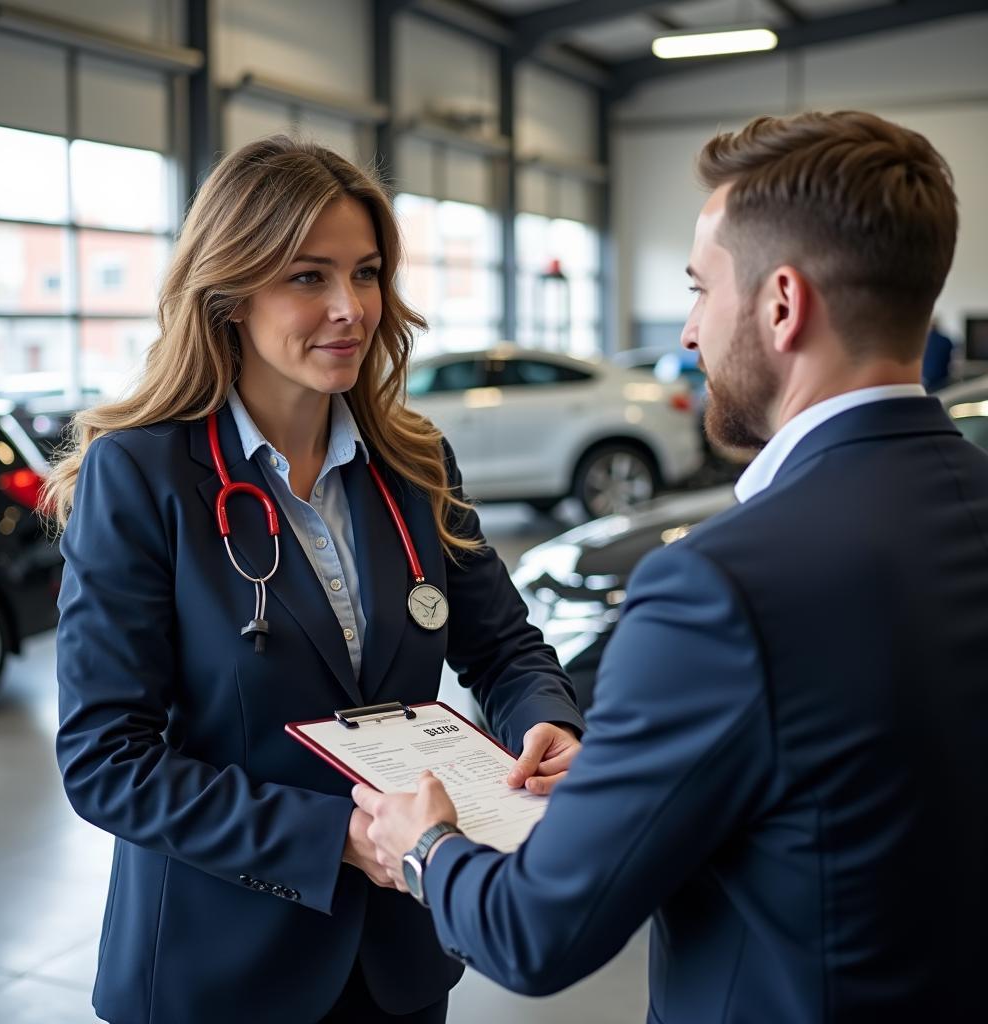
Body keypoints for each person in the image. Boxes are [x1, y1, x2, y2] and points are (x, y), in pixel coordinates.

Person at [355, 110, 988, 1022]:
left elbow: (536, 931)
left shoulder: (721, 586)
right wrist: (634, 768)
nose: (689, 332)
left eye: (699, 290)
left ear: (781, 304)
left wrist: (426, 848)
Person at [47, 135, 585, 1024]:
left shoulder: (412, 463)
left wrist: (547, 724)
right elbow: (107, 761)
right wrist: (336, 836)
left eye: (367, 273)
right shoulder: (141, 477)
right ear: (230, 293)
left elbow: (504, 648)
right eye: (308, 277)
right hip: (221, 972)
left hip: (399, 960)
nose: (351, 308)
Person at [921, 317, 954, 391]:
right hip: (942, 378)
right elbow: (950, 359)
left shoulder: (922, 341)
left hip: (926, 378)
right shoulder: (946, 340)